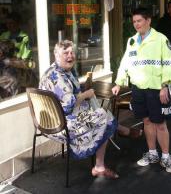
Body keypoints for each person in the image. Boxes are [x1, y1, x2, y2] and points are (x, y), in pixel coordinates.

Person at [39, 40, 140, 179]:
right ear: (56, 55)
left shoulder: (59, 70)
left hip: (50, 119)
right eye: (65, 53)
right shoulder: (58, 76)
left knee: (101, 113)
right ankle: (101, 163)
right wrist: (86, 94)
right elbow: (69, 104)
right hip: (61, 123)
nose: (70, 55)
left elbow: (69, 92)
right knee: (104, 117)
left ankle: (121, 132)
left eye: (72, 52)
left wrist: (83, 89)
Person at [112, 7, 171, 173]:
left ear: (148, 21)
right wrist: (119, 82)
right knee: (147, 121)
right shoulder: (132, 41)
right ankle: (152, 153)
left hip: (157, 90)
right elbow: (125, 63)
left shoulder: (161, 40)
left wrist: (165, 86)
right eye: (134, 21)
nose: (136, 24)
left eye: (139, 21)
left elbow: (169, 63)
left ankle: (166, 156)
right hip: (139, 89)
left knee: (160, 124)